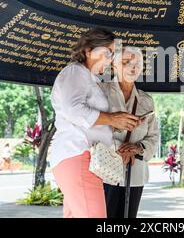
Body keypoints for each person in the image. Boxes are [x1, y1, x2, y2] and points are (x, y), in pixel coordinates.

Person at [50, 28, 142, 218]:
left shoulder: (90, 78)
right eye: (107, 52)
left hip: (81, 159)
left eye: (112, 54)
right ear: (88, 50)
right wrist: (111, 118)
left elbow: (88, 117)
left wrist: (115, 123)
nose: (110, 59)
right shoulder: (75, 71)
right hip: (78, 155)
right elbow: (72, 109)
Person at [102, 46, 159, 218]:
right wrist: (120, 149)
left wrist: (138, 148)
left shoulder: (146, 101)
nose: (132, 67)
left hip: (134, 174)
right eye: (126, 62)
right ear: (114, 66)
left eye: (137, 63)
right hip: (104, 171)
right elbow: (91, 128)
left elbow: (153, 136)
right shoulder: (100, 92)